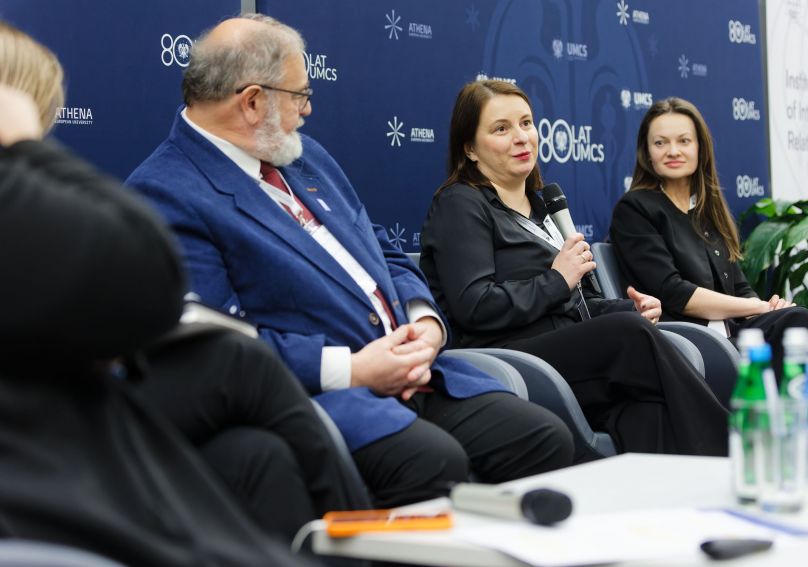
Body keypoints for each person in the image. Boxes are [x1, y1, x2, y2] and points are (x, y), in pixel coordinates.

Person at [127, 14, 574, 508]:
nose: (308, 110)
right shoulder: (167, 192)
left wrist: (423, 322)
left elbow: (380, 247)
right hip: (325, 397)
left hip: (420, 372)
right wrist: (354, 369)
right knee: (433, 461)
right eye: (299, 96)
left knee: (542, 436)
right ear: (253, 102)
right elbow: (217, 345)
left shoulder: (305, 155)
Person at [0, 19, 357, 560]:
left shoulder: (310, 163)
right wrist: (23, 146)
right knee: (238, 362)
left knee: (254, 456)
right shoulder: (154, 182)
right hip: (41, 439)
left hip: (79, 415)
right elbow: (147, 272)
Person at [419, 80, 728, 458]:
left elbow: (580, 302)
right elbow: (475, 305)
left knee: (644, 410)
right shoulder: (461, 204)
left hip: (569, 348)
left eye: (526, 123)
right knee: (626, 334)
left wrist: (630, 307)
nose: (521, 138)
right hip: (508, 357)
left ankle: (660, 509)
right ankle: (731, 451)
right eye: (502, 129)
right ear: (470, 148)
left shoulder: (543, 207)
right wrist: (557, 279)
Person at [609, 97, 808, 398]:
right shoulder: (635, 209)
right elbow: (676, 294)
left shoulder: (707, 212)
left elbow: (740, 288)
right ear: (647, 152)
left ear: (700, 148)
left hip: (734, 335)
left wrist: (770, 307)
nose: (673, 151)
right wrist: (760, 307)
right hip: (688, 341)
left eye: (684, 141)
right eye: (660, 143)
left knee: (802, 320)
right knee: (801, 321)